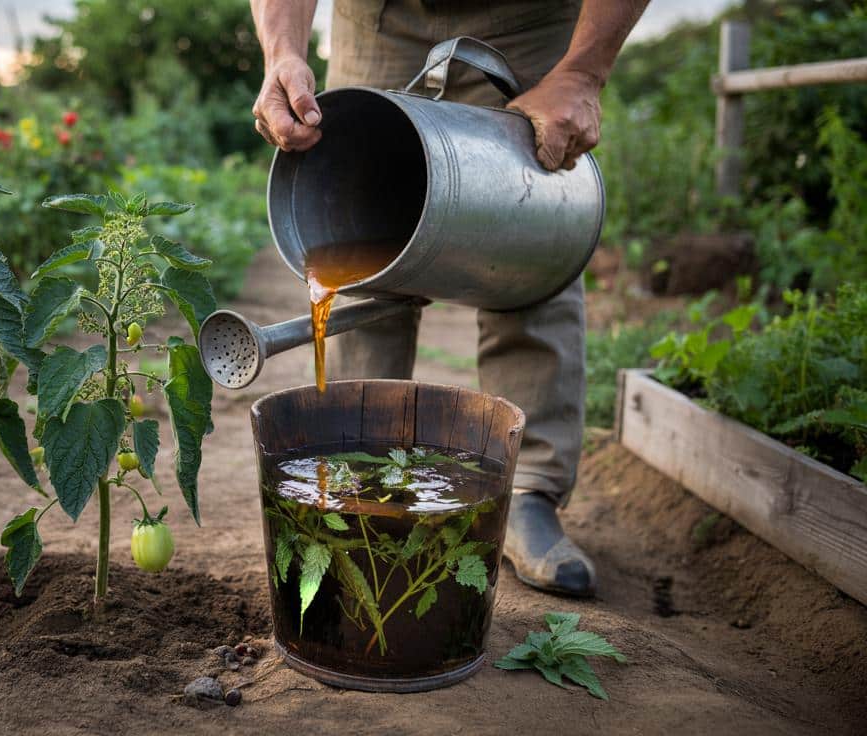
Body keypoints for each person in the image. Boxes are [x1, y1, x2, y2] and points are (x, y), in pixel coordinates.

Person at [250, 0, 650, 597]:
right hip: (378, 17)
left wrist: (581, 75)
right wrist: (282, 52)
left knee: (533, 224)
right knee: (359, 221)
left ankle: (527, 494)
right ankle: (360, 481)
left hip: (530, 19)